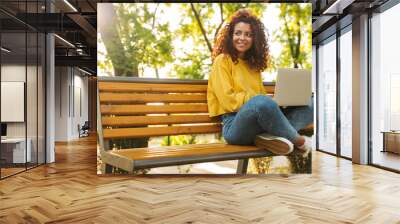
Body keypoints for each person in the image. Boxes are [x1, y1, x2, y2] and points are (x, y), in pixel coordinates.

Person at [207, 9, 313, 156]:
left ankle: (271, 136)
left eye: (248, 34)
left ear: (254, 39)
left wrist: (277, 102)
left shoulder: (253, 66)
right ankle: (299, 141)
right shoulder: (222, 61)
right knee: (261, 102)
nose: (242, 38)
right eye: (238, 33)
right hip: (234, 126)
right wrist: (262, 100)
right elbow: (228, 101)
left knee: (310, 103)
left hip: (260, 123)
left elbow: (261, 101)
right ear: (230, 35)